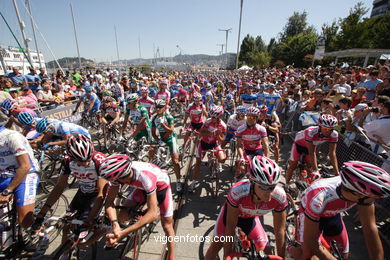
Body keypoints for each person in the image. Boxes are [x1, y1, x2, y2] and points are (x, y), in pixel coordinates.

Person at [292, 161, 390, 260]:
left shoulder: (360, 194)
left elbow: (370, 229)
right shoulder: (318, 198)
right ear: (358, 194)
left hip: (332, 214)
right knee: (307, 256)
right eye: (374, 197)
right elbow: (312, 241)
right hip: (309, 212)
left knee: (344, 255)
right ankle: (290, 250)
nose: (374, 201)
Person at [205, 156, 286, 259]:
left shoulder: (280, 196)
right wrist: (227, 256)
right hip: (229, 218)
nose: (269, 192)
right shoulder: (238, 191)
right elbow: (230, 226)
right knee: (216, 246)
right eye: (264, 187)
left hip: (250, 219)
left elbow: (280, 231)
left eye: (272, 187)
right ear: (252, 182)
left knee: (267, 250)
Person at [32, 135, 107, 244]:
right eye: (80, 161)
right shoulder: (67, 161)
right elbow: (59, 187)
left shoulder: (99, 160)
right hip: (83, 191)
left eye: (87, 159)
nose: (85, 164)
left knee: (82, 240)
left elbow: (101, 193)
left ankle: (103, 230)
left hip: (97, 194)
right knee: (66, 226)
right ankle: (64, 252)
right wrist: (42, 213)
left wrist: (89, 220)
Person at [99, 155, 176, 259]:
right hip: (142, 187)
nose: (114, 182)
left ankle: (171, 256)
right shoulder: (117, 175)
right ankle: (140, 218)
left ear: (123, 176)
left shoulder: (145, 176)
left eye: (116, 180)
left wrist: (123, 233)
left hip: (160, 186)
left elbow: (152, 214)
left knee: (167, 225)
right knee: (122, 216)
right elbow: (109, 202)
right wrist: (115, 224)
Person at [0, 118, 39, 229]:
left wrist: (8, 190)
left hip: (27, 173)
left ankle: (41, 233)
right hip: (7, 173)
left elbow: (25, 166)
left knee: (24, 221)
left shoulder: (11, 137)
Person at [285, 114, 339, 184]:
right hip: (299, 144)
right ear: (319, 126)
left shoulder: (334, 134)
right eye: (326, 129)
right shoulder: (310, 132)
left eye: (331, 129)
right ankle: (286, 184)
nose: (328, 131)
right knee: (293, 165)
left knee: (310, 168)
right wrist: (316, 170)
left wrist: (337, 173)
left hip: (312, 145)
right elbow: (311, 153)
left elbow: (332, 154)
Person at [188, 105, 227, 192]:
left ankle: (216, 164)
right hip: (204, 143)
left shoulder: (223, 125)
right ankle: (193, 182)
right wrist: (210, 133)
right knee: (198, 163)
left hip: (214, 144)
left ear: (219, 117)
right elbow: (201, 133)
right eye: (212, 116)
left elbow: (221, 140)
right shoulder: (208, 122)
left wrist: (218, 135)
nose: (212, 118)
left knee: (222, 159)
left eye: (214, 117)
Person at [150, 99, 182, 192]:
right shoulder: (154, 118)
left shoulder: (169, 117)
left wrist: (163, 124)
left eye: (160, 107)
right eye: (157, 107)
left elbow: (171, 131)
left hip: (171, 138)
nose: (158, 109)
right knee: (151, 150)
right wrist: (157, 140)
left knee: (175, 161)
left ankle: (178, 180)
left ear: (164, 108)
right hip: (162, 138)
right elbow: (153, 133)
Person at [236, 107, 269, 176]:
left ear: (257, 118)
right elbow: (239, 146)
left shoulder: (261, 129)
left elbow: (266, 145)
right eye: (248, 116)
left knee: (261, 169)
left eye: (253, 117)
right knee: (242, 167)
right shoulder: (240, 129)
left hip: (258, 150)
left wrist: (267, 158)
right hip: (246, 150)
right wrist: (241, 157)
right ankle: (237, 177)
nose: (250, 119)